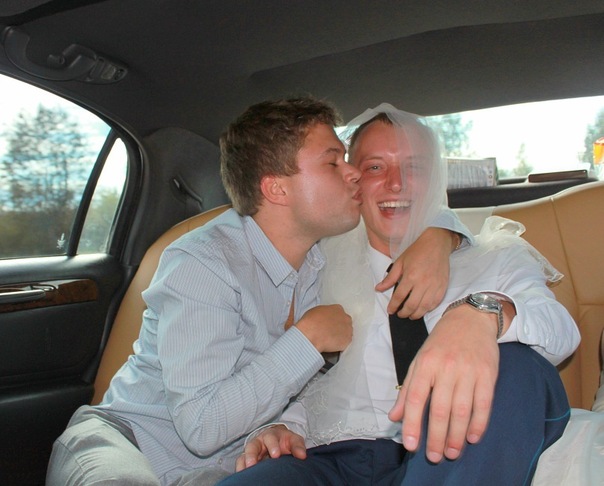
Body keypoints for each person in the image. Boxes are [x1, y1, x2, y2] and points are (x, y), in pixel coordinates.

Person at [46, 98, 464, 486]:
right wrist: (307, 341)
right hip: (129, 446)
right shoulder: (203, 263)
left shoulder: (325, 255)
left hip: (221, 469)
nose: (353, 172)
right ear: (276, 189)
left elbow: (418, 207)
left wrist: (441, 237)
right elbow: (202, 427)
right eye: (333, 162)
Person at [221, 104, 581, 485]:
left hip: (452, 451)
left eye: (415, 168)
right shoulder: (316, 270)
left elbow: (561, 334)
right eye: (376, 167)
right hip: (333, 457)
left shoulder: (496, 258)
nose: (396, 183)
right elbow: (302, 376)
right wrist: (279, 425)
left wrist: (482, 315)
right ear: (352, 180)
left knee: (515, 363)